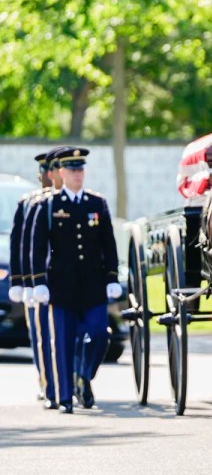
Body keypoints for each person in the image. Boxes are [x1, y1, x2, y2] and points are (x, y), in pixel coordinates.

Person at [29, 147, 122, 413]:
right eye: (72, 170)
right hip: (62, 285)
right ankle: (66, 397)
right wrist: (38, 282)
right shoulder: (50, 205)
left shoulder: (96, 203)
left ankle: (84, 373)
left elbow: (109, 243)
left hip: (93, 285)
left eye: (81, 170)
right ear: (61, 173)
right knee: (63, 341)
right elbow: (38, 246)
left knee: (99, 334)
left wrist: (112, 276)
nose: (78, 174)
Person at [8, 149, 63, 408]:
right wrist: (20, 282)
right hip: (37, 280)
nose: (48, 176)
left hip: (63, 278)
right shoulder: (29, 202)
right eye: (45, 171)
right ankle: (47, 383)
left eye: (51, 171)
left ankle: (65, 380)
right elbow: (21, 246)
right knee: (42, 334)